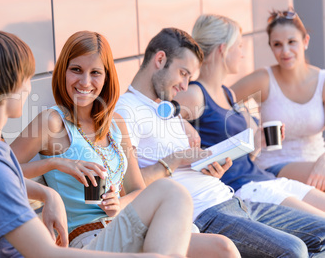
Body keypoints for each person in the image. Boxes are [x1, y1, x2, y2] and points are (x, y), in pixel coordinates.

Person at [0, 30, 174, 258]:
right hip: (76, 241)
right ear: (8, 84)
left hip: (90, 234)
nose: (29, 88)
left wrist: (48, 192)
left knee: (173, 198)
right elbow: (48, 254)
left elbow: (6, 176)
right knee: (171, 196)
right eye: (27, 78)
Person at [115, 27, 325, 257]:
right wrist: (176, 159)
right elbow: (127, 186)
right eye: (183, 73)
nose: (185, 86)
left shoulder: (165, 107)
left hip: (231, 199)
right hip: (206, 213)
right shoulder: (126, 111)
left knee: (322, 232)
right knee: (294, 250)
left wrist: (210, 167)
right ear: (160, 59)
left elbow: (180, 166)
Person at [10, 30, 211, 256]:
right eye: (76, 70)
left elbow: (137, 190)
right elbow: (1, 173)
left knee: (223, 249)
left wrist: (119, 204)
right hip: (87, 240)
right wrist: (55, 164)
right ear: (63, 72)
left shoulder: (116, 123)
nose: (85, 82)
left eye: (95, 72)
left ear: (106, 77)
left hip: (122, 227)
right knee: (171, 191)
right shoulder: (52, 122)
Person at [174, 14, 325, 217]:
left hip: (265, 179)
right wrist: (182, 124)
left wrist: (256, 142)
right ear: (223, 49)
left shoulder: (228, 94)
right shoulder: (194, 94)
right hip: (245, 189)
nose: (242, 54)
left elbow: (243, 158)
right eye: (239, 46)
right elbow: (158, 112)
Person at [231, 9, 325, 192]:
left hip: (319, 164)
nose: (285, 51)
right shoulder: (264, 79)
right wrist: (247, 125)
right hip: (274, 164)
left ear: (305, 41)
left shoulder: (322, 82)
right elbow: (218, 100)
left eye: (292, 42)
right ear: (271, 47)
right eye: (277, 44)